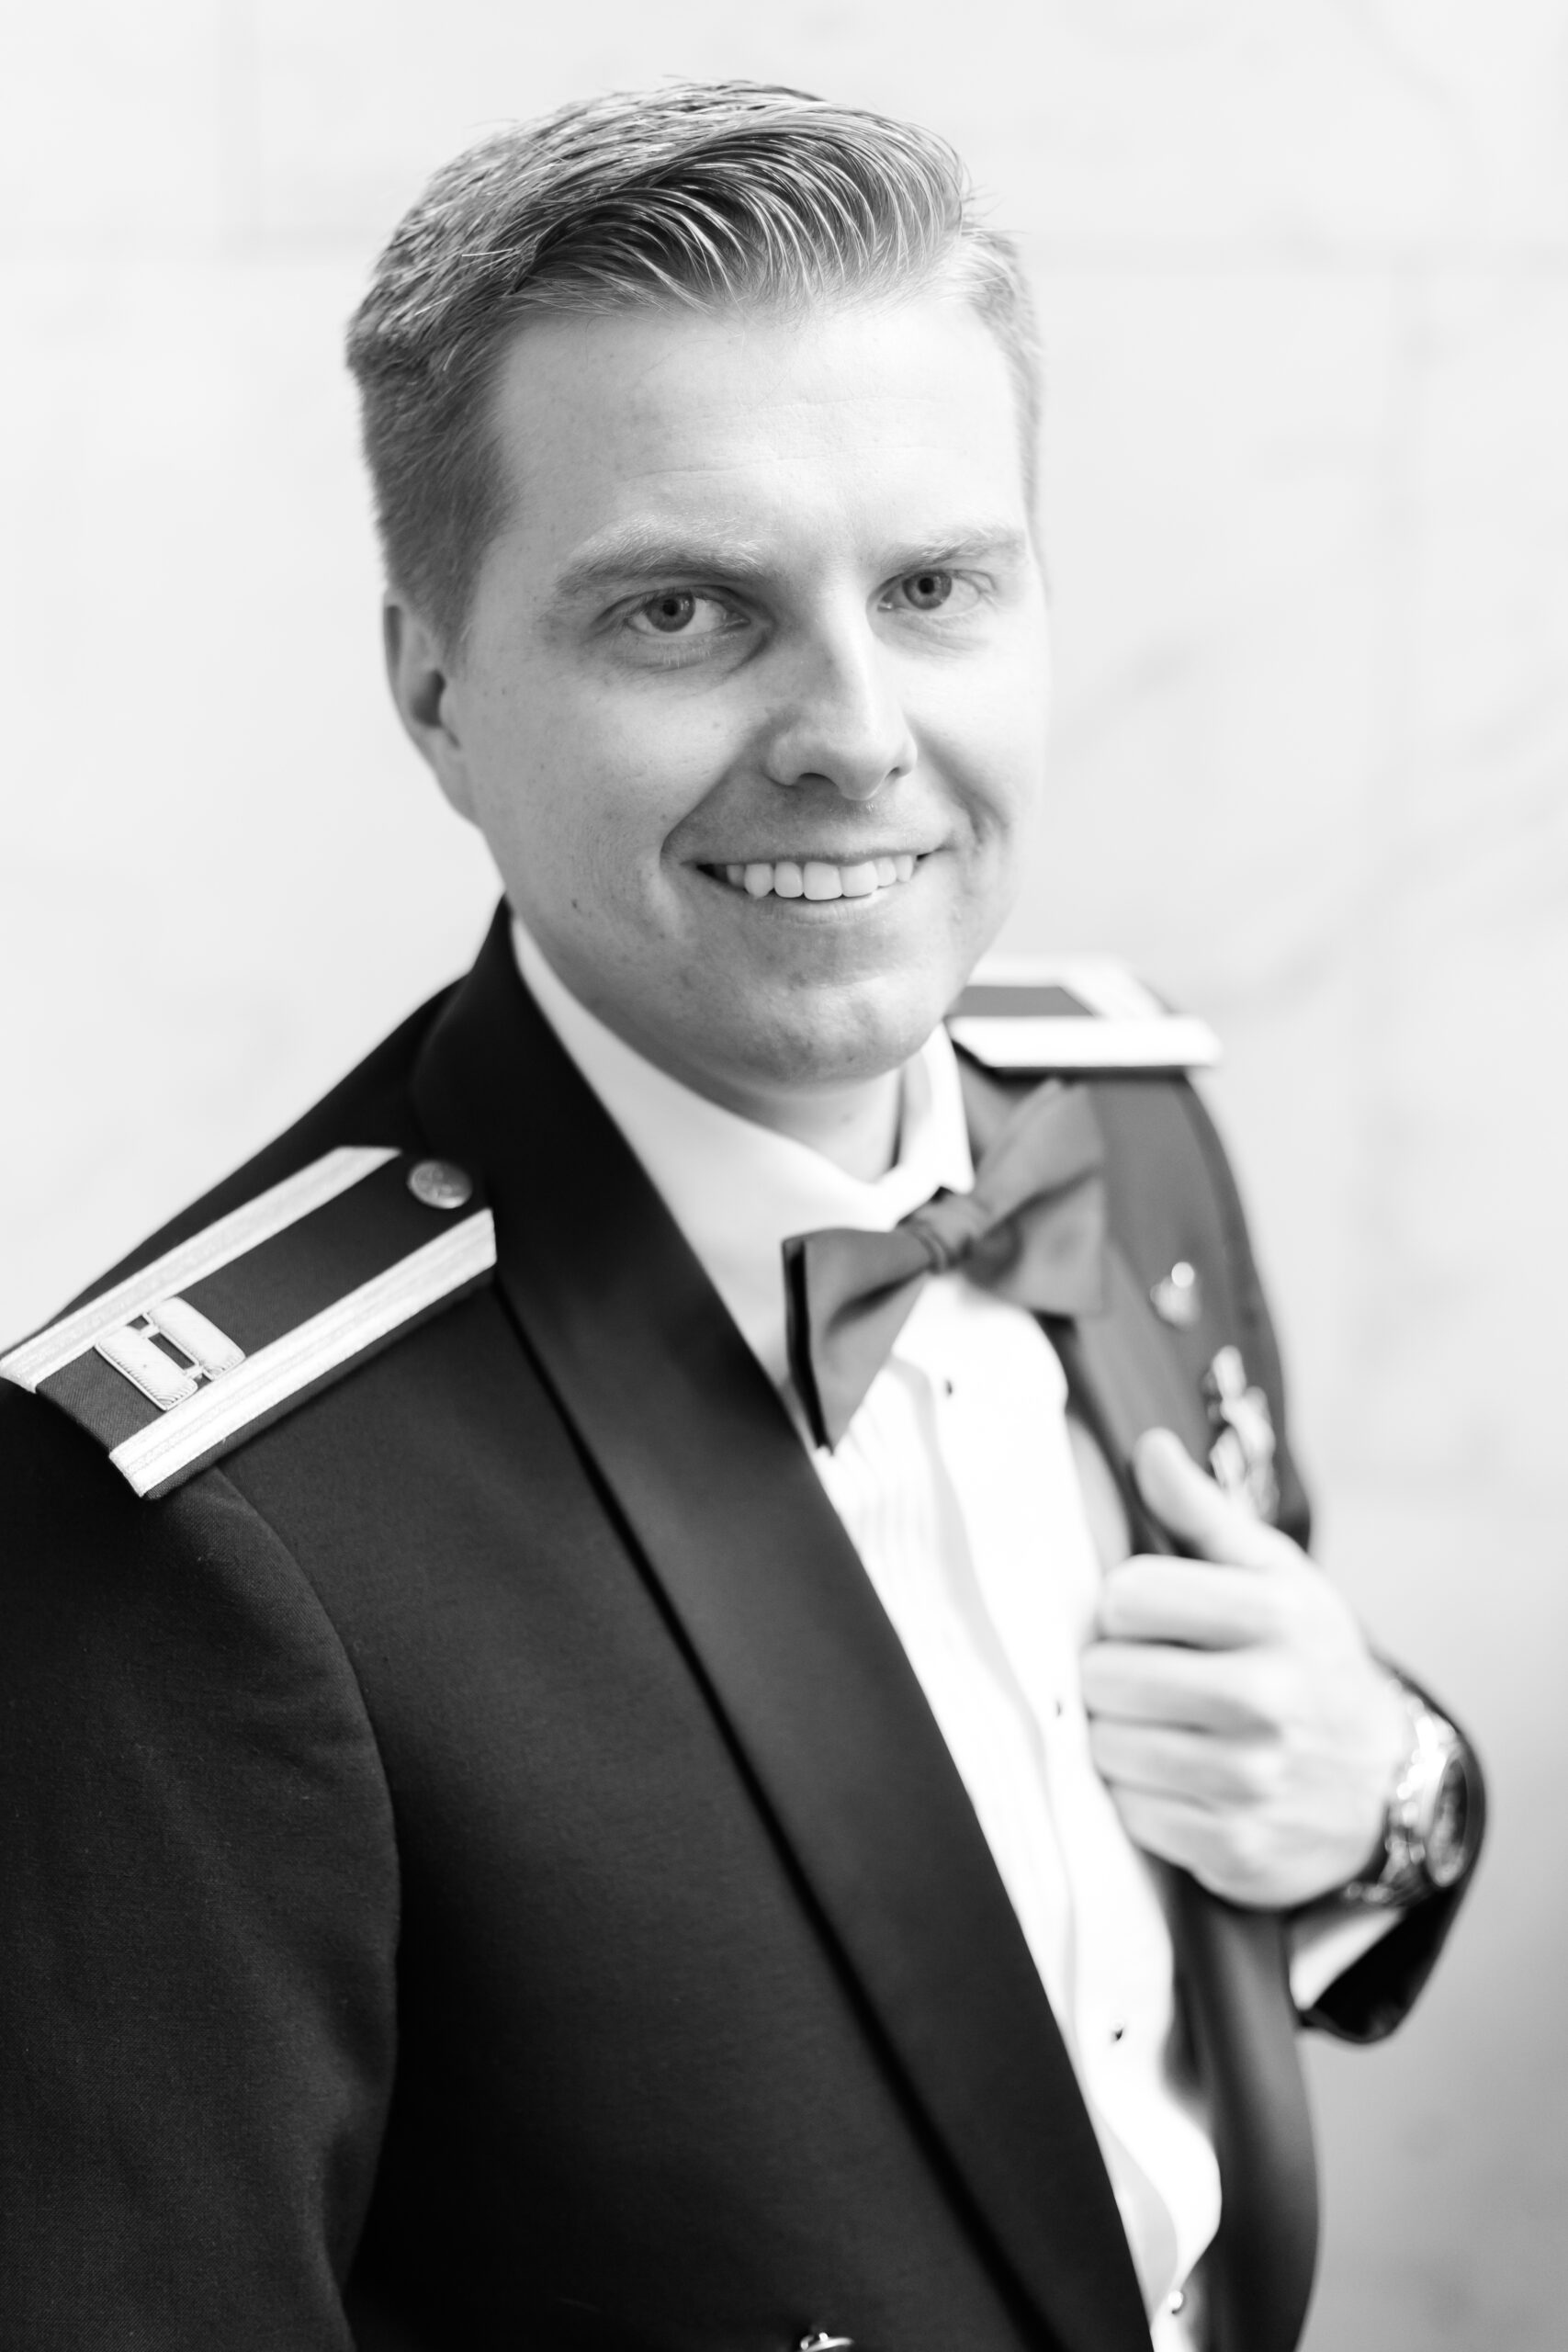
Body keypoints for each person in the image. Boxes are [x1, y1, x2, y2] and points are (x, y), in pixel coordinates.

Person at [0, 83, 1483, 2352]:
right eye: (683, 610)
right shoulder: (201, 1526)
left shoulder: (1129, 1129)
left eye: (932, 588)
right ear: (432, 686)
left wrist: (1383, 1795)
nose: (852, 734)